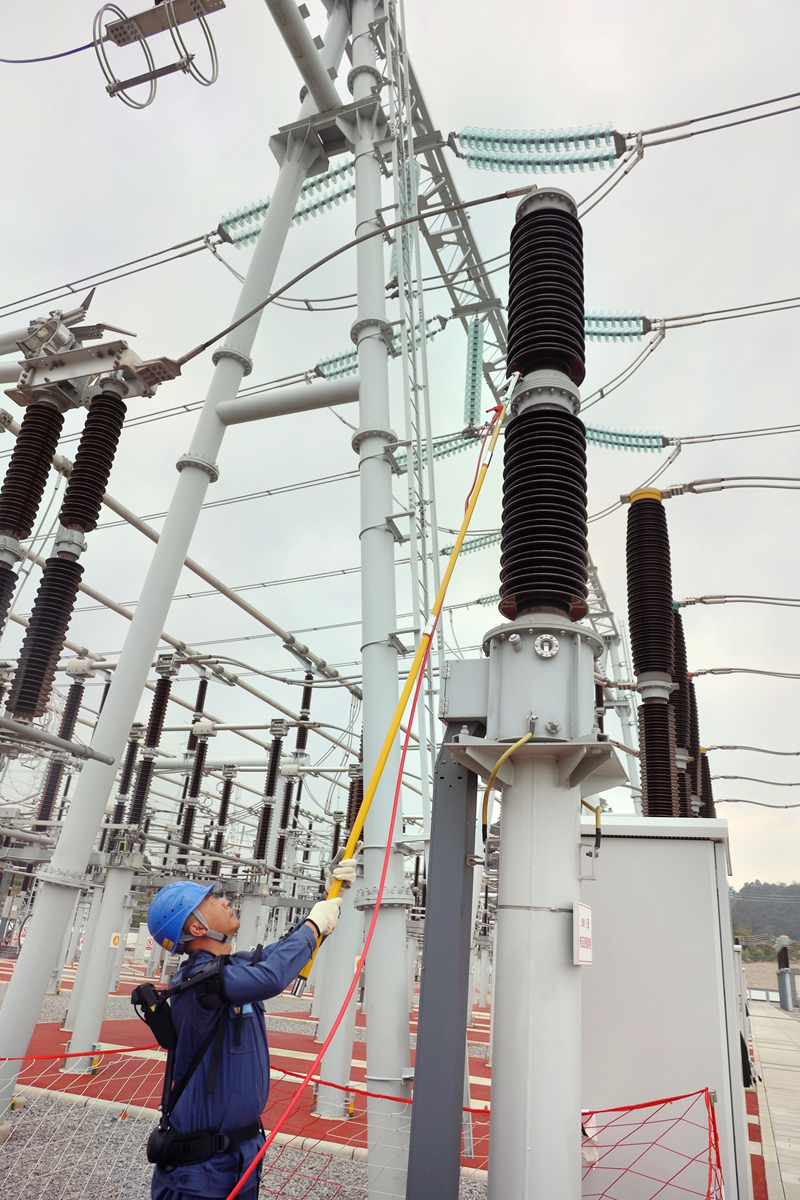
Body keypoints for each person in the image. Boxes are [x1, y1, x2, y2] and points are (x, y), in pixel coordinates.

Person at [145, 859, 357, 1200]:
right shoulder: (197, 984)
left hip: (238, 1158)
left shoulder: (230, 968)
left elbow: (275, 955)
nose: (224, 901)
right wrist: (313, 926)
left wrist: (327, 902)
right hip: (199, 1171)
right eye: (211, 901)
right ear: (197, 928)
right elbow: (271, 976)